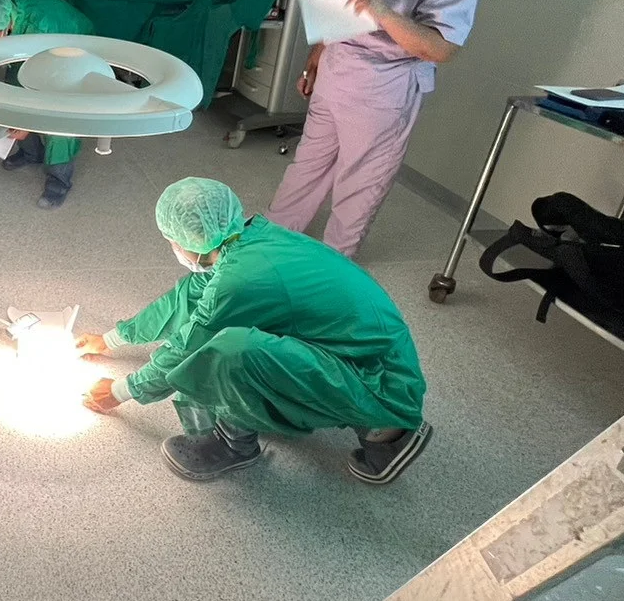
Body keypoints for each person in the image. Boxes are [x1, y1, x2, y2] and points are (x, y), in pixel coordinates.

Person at [78, 177, 431, 485]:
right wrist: (111, 339)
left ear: (189, 239)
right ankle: (363, 416)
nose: (173, 246)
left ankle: (382, 432)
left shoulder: (237, 280)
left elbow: (187, 348)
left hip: (381, 381)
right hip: (363, 351)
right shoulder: (250, 238)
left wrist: (120, 391)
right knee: (215, 315)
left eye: (171, 239)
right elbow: (182, 300)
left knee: (229, 350)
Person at [267, 0, 480, 258]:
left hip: (383, 89)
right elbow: (342, 12)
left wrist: (383, 11)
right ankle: (275, 235)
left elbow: (441, 49)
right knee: (309, 161)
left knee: (360, 178)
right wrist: (316, 58)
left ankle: (336, 260)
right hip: (337, 71)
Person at [0, 0, 95, 209]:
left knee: (59, 121)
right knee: (13, 97)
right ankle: (32, 153)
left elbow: (49, 90)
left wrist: (28, 124)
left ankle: (59, 181)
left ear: (2, 30)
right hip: (35, 50)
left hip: (69, 55)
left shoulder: (41, 28)